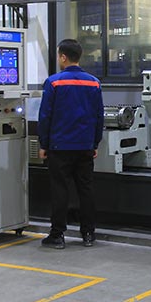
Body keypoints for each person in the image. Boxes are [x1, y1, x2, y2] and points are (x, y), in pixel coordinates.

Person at [38, 39, 104, 249]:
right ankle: (88, 234)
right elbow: (99, 116)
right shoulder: (94, 83)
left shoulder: (53, 82)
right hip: (85, 146)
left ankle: (57, 235)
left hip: (60, 146)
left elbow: (45, 116)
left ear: (63, 57)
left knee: (60, 190)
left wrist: (43, 144)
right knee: (86, 189)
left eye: (59, 56)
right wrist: (94, 143)